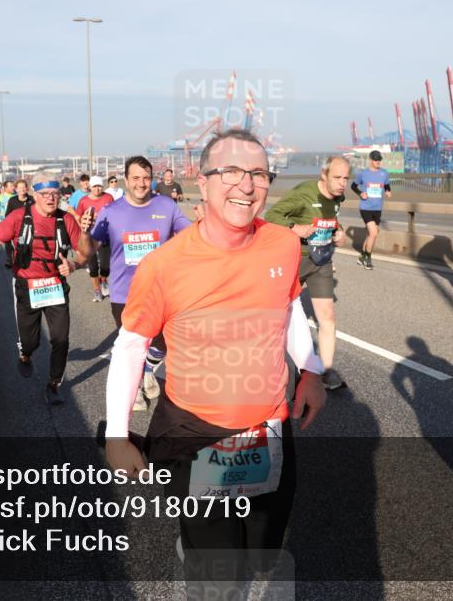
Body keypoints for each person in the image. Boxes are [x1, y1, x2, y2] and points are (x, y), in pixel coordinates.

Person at [104, 129, 327, 592]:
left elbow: (288, 311)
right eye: (230, 171)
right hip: (195, 435)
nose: (246, 185)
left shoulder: (284, 244)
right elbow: (130, 347)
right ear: (201, 183)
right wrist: (116, 435)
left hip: (269, 431)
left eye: (259, 173)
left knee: (263, 554)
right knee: (220, 579)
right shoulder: (163, 266)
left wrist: (311, 372)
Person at [77, 155, 191, 411]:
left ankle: (148, 369)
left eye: (146, 178)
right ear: (126, 180)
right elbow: (86, 252)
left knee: (164, 342)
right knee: (133, 346)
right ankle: (135, 387)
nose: (141, 183)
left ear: (152, 180)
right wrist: (85, 232)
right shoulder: (111, 211)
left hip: (162, 292)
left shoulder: (167, 206)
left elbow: (191, 235)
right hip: (124, 293)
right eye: (136, 178)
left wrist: (207, 223)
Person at [0, 176, 91, 394]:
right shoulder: (18, 217)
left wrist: (73, 264)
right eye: (45, 194)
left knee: (61, 338)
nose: (51, 199)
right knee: (30, 340)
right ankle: (26, 354)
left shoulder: (66, 220)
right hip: (27, 286)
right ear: (35, 195)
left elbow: (85, 255)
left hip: (55, 285)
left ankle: (54, 383)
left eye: (55, 194)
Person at [264, 155, 350, 390]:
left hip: (320, 262)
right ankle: (273, 368)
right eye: (337, 177)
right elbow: (271, 216)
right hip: (293, 260)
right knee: (279, 318)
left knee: (328, 318)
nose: (342, 183)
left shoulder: (338, 196)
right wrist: (294, 228)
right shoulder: (303, 193)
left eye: (346, 178)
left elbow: (332, 220)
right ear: (324, 175)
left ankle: (326, 371)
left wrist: (339, 232)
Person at [73, 176, 115, 301]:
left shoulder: (108, 197)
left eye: (99, 186)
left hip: (105, 236)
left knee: (105, 265)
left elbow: (115, 213)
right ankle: (97, 290)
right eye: (94, 186)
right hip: (89, 237)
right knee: (92, 266)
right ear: (90, 187)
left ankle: (104, 281)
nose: (97, 189)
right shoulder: (83, 201)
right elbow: (79, 218)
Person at [350, 149, 391, 270]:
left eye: (379, 160)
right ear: (371, 160)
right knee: (374, 233)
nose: (378, 161)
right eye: (376, 159)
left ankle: (361, 257)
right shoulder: (363, 173)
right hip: (366, 207)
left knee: (370, 234)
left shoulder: (384, 173)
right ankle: (368, 259)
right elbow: (353, 186)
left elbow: (387, 184)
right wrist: (360, 193)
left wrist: (388, 191)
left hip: (378, 208)